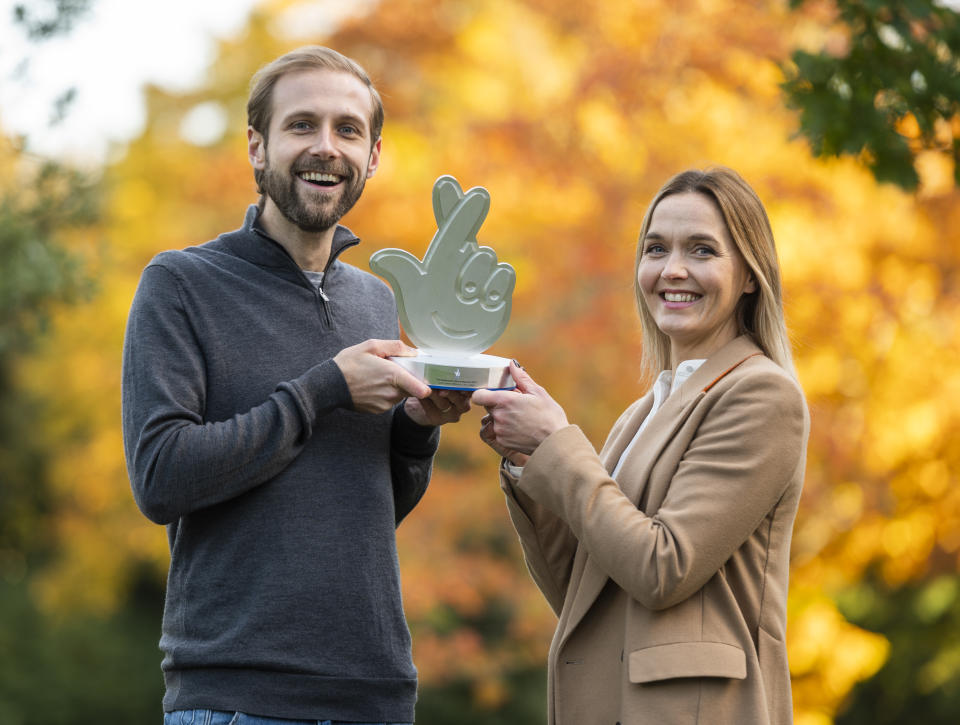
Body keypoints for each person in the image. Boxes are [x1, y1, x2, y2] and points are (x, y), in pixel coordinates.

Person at [121, 46, 470, 725]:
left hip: (376, 693)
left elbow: (369, 508)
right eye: (301, 124)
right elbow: (160, 478)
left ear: (372, 156)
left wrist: (418, 429)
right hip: (238, 699)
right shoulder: (181, 285)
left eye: (347, 129)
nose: (325, 147)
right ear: (258, 146)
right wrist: (322, 390)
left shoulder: (373, 301)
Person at [473, 167, 809, 725]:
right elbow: (582, 591)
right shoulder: (642, 412)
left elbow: (662, 568)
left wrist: (557, 443)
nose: (673, 269)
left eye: (702, 250)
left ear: (750, 275)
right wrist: (528, 458)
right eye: (656, 249)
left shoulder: (762, 393)